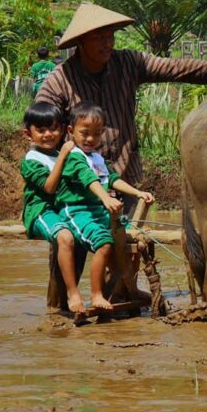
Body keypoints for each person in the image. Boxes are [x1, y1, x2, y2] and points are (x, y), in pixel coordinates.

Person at [36, 2, 207, 212]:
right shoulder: (59, 80)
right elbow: (40, 125)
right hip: (77, 188)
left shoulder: (128, 63)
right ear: (80, 42)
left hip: (122, 177)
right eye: (99, 37)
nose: (108, 43)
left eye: (110, 35)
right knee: (70, 245)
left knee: (131, 243)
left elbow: (173, 67)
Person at [55, 101, 155, 312]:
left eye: (97, 133)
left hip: (95, 210)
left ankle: (123, 290)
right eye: (85, 133)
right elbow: (89, 178)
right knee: (104, 243)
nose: (91, 138)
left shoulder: (97, 157)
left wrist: (137, 193)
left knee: (124, 239)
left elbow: (112, 179)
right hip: (76, 210)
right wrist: (106, 198)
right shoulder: (75, 157)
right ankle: (96, 295)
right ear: (71, 131)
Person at [19, 102, 83, 313]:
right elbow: (49, 187)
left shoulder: (63, 155)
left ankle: (109, 293)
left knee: (90, 235)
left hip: (63, 210)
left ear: (63, 129)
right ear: (29, 134)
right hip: (41, 210)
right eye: (41, 130)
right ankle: (72, 295)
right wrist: (64, 155)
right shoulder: (31, 159)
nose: (48, 134)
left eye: (54, 128)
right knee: (65, 237)